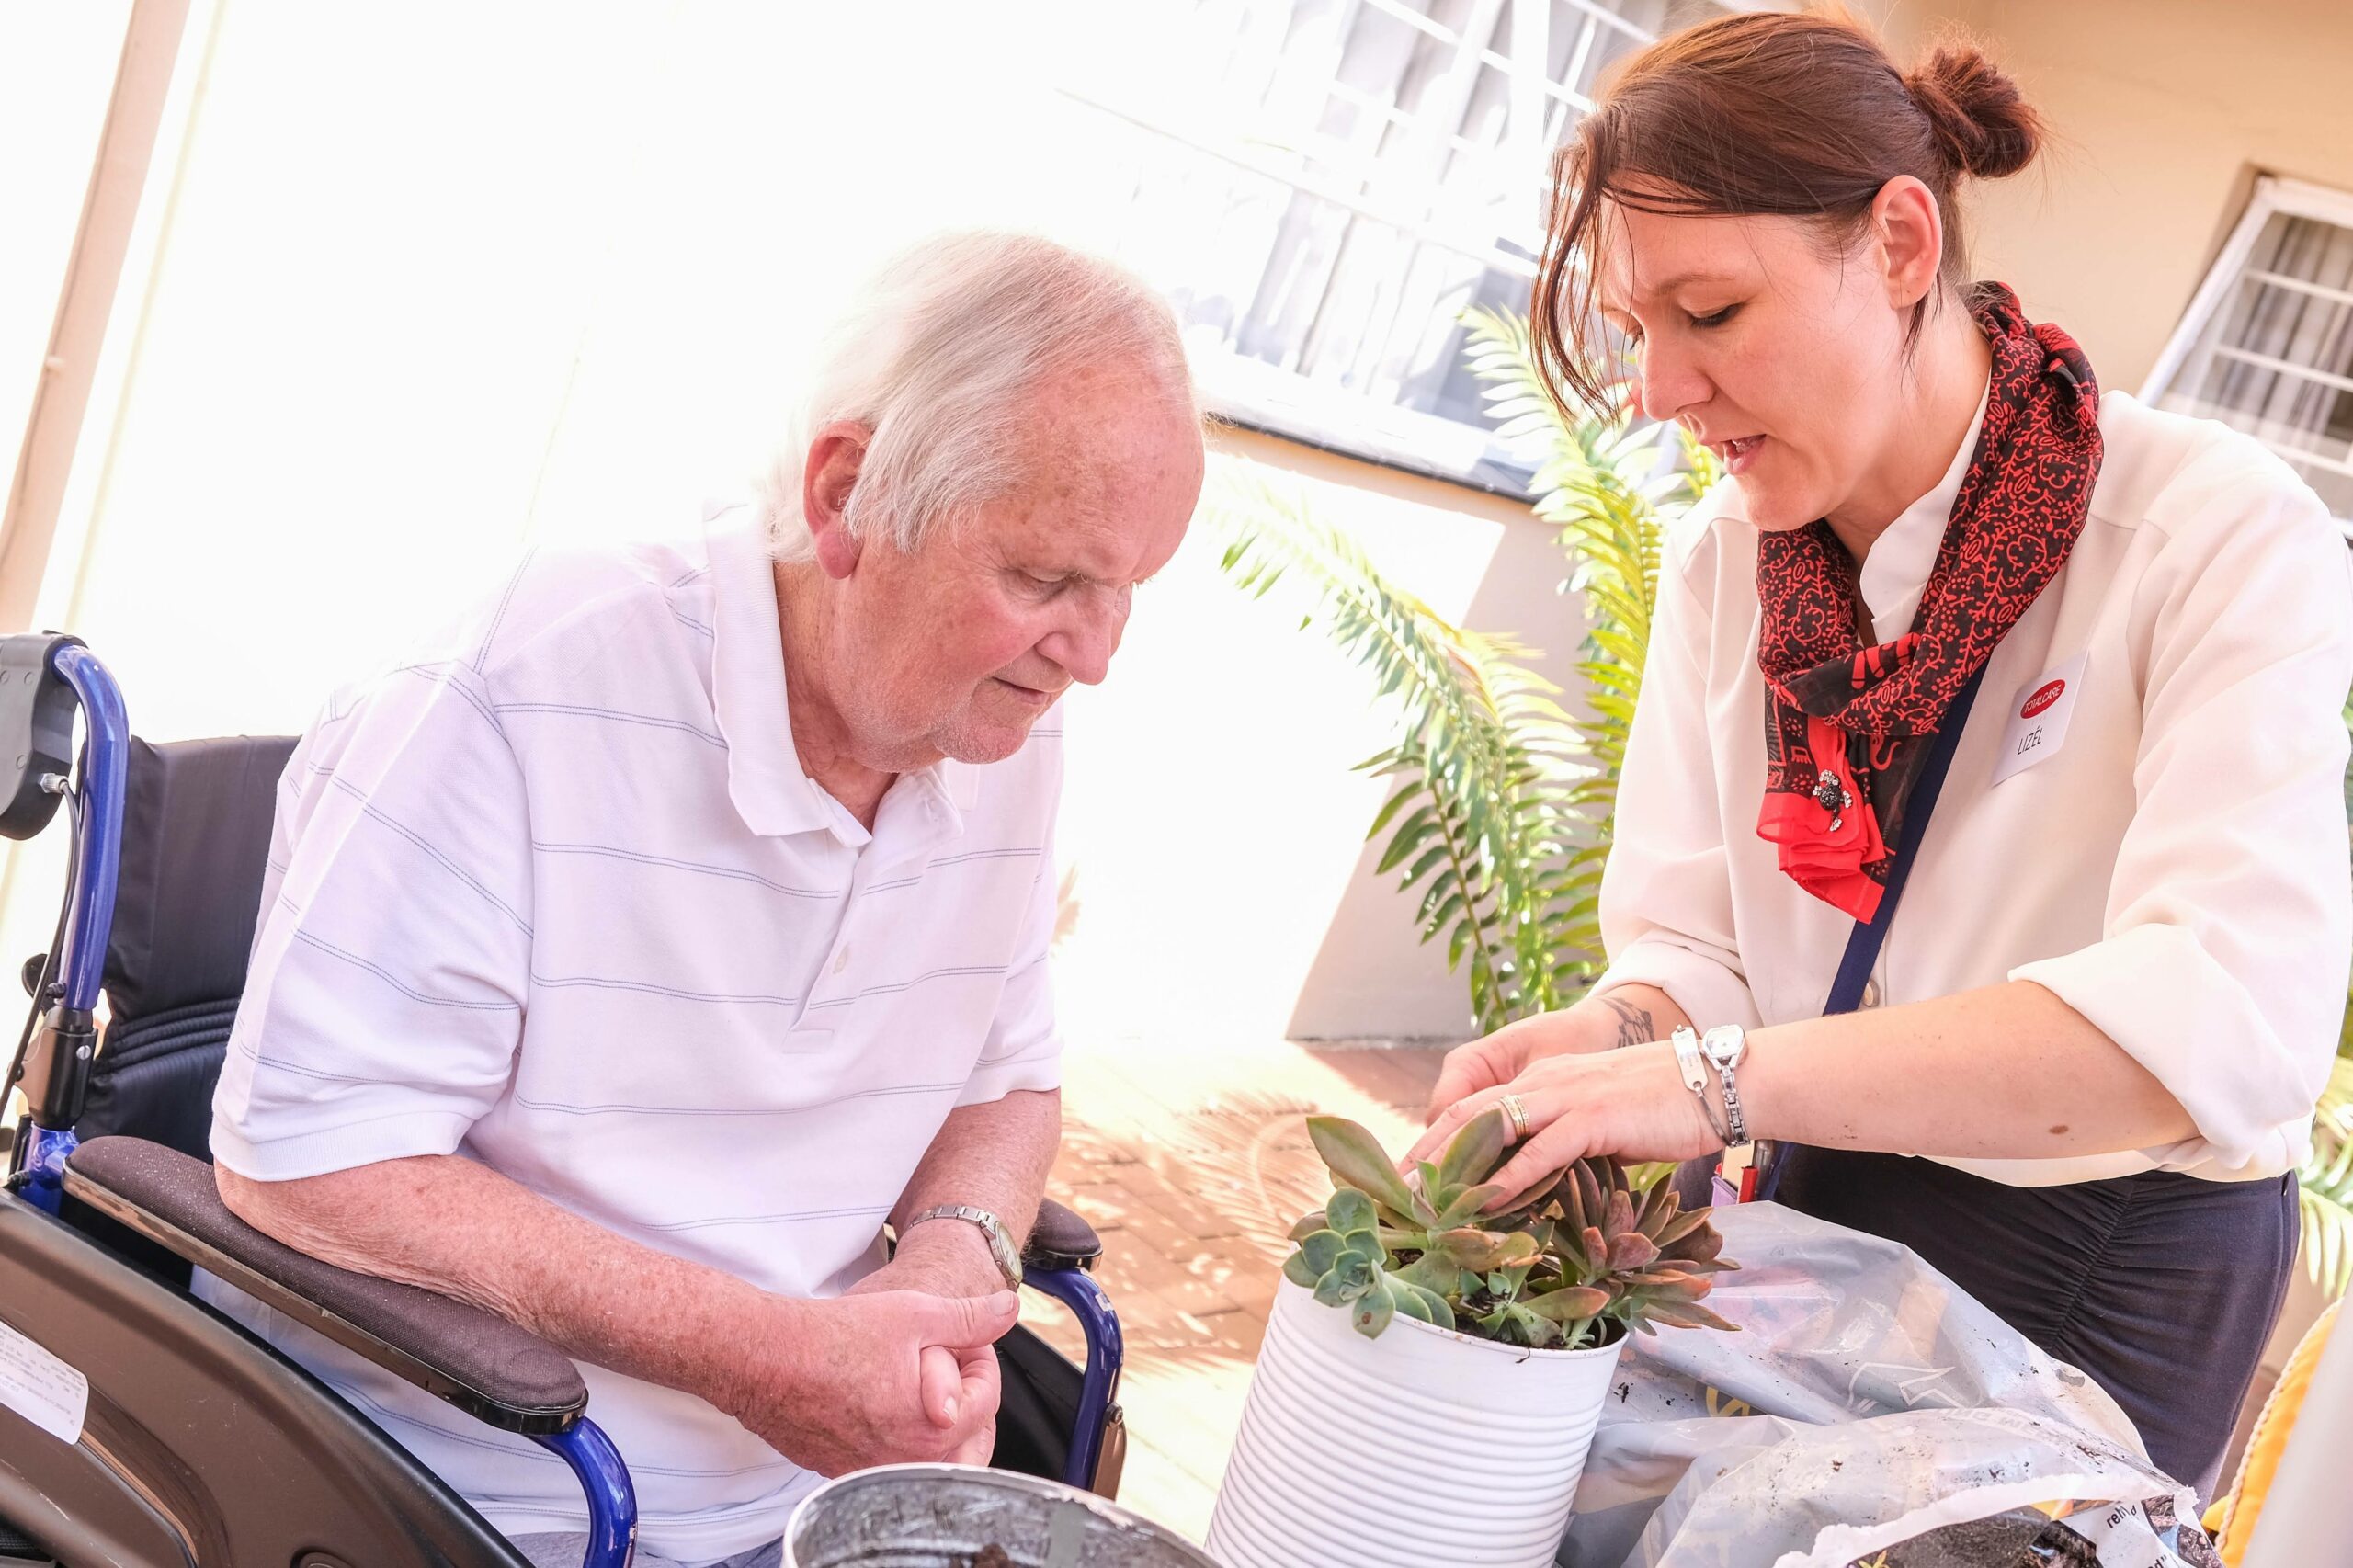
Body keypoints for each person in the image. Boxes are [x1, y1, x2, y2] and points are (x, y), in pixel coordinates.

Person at [1411, 9, 2353, 1494]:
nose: (1659, 391)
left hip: (2103, 1265)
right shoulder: (1731, 555)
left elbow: (2217, 1025)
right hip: (1811, 1200)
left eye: (1710, 312)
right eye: (1633, 332)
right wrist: (1611, 1043)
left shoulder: (2210, 534)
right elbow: (1697, 946)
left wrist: (1712, 1081)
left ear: (1904, 246)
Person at [203, 231, 1204, 1567]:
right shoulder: (524, 686)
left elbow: (1004, 1082)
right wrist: (763, 1353)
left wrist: (955, 1261)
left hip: (819, 1500)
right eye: (1044, 579)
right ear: (850, 493)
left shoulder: (991, 725)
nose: (1093, 656)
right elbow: (313, 1161)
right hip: (493, 1494)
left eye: (1127, 589)